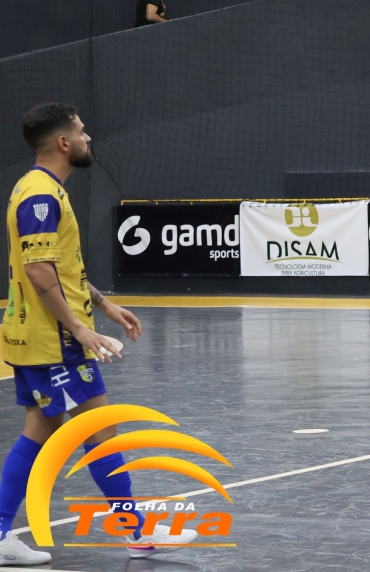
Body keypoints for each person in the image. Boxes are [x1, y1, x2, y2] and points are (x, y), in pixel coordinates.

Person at [0, 103, 198, 565]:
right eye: (82, 132)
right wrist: (78, 329)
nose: (88, 139)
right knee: (101, 431)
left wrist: (103, 304)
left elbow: (60, 268)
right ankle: (138, 533)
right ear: (63, 142)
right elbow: (39, 270)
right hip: (54, 342)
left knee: (40, 431)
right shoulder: (41, 196)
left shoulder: (39, 188)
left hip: (41, 337)